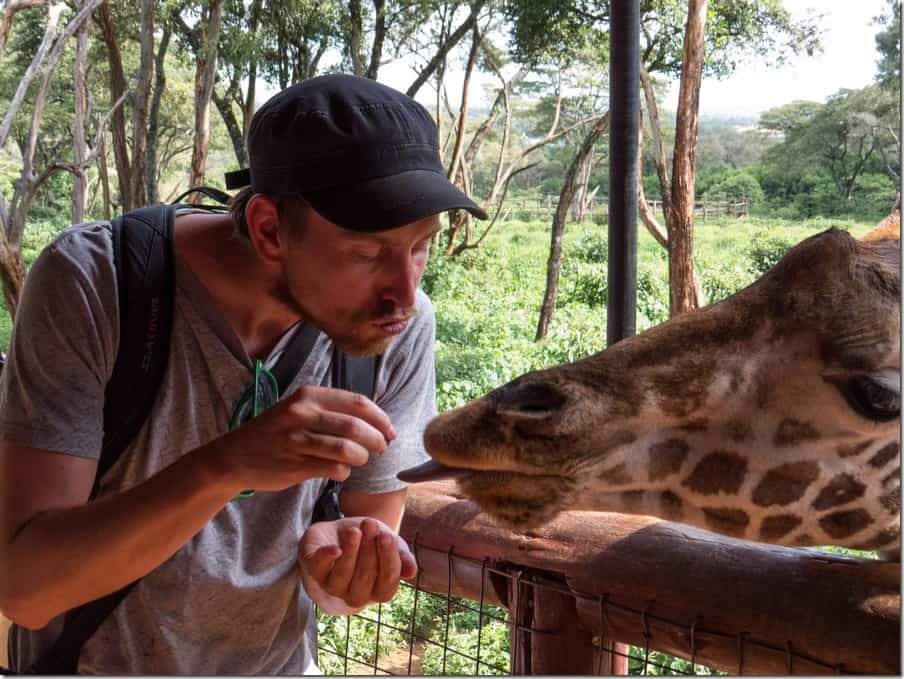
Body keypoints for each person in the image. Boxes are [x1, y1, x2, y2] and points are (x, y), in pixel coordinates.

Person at [0, 73, 486, 674]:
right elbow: (25, 590)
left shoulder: (396, 329)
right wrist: (226, 465)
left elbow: (350, 571)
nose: (405, 294)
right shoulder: (97, 285)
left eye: (419, 247)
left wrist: (336, 568)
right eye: (367, 254)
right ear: (268, 229)